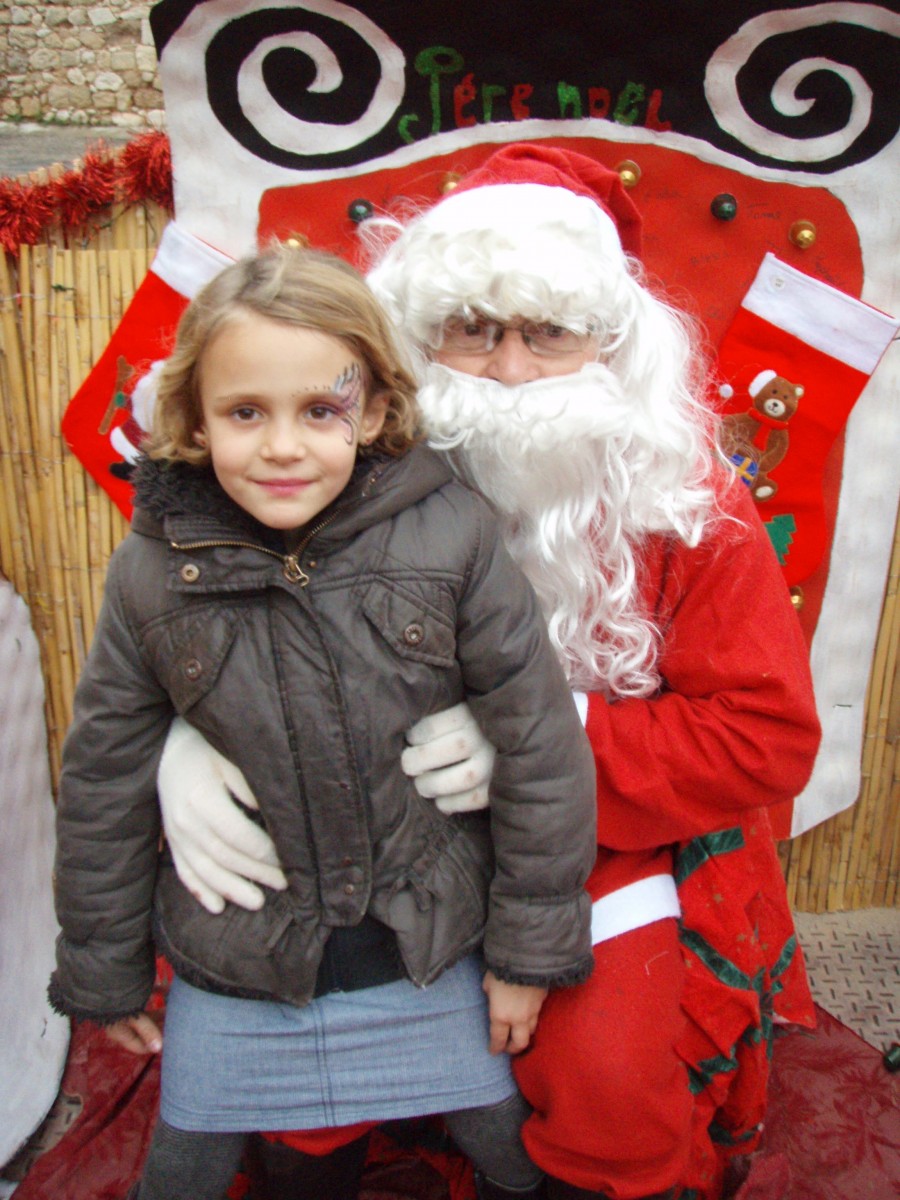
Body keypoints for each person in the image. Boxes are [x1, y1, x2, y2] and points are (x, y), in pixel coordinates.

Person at [156, 144, 822, 1200]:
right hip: (360, 808)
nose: (509, 372)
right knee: (291, 1029)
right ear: (412, 338)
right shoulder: (331, 460)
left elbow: (765, 738)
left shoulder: (684, 497)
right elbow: (202, 608)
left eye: (548, 333)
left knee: (608, 1081)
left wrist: (544, 733)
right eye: (471, 330)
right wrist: (184, 737)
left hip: (602, 834)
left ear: (611, 343)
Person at [49, 243, 598, 1200]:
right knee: (183, 1168)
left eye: (320, 411)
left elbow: (542, 748)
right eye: (245, 413)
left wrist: (527, 955)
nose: (283, 447)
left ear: (374, 412)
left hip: (426, 942)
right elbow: (104, 775)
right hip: (241, 958)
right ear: (195, 419)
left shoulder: (453, 535)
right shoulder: (150, 574)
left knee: (510, 1153)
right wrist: (106, 966)